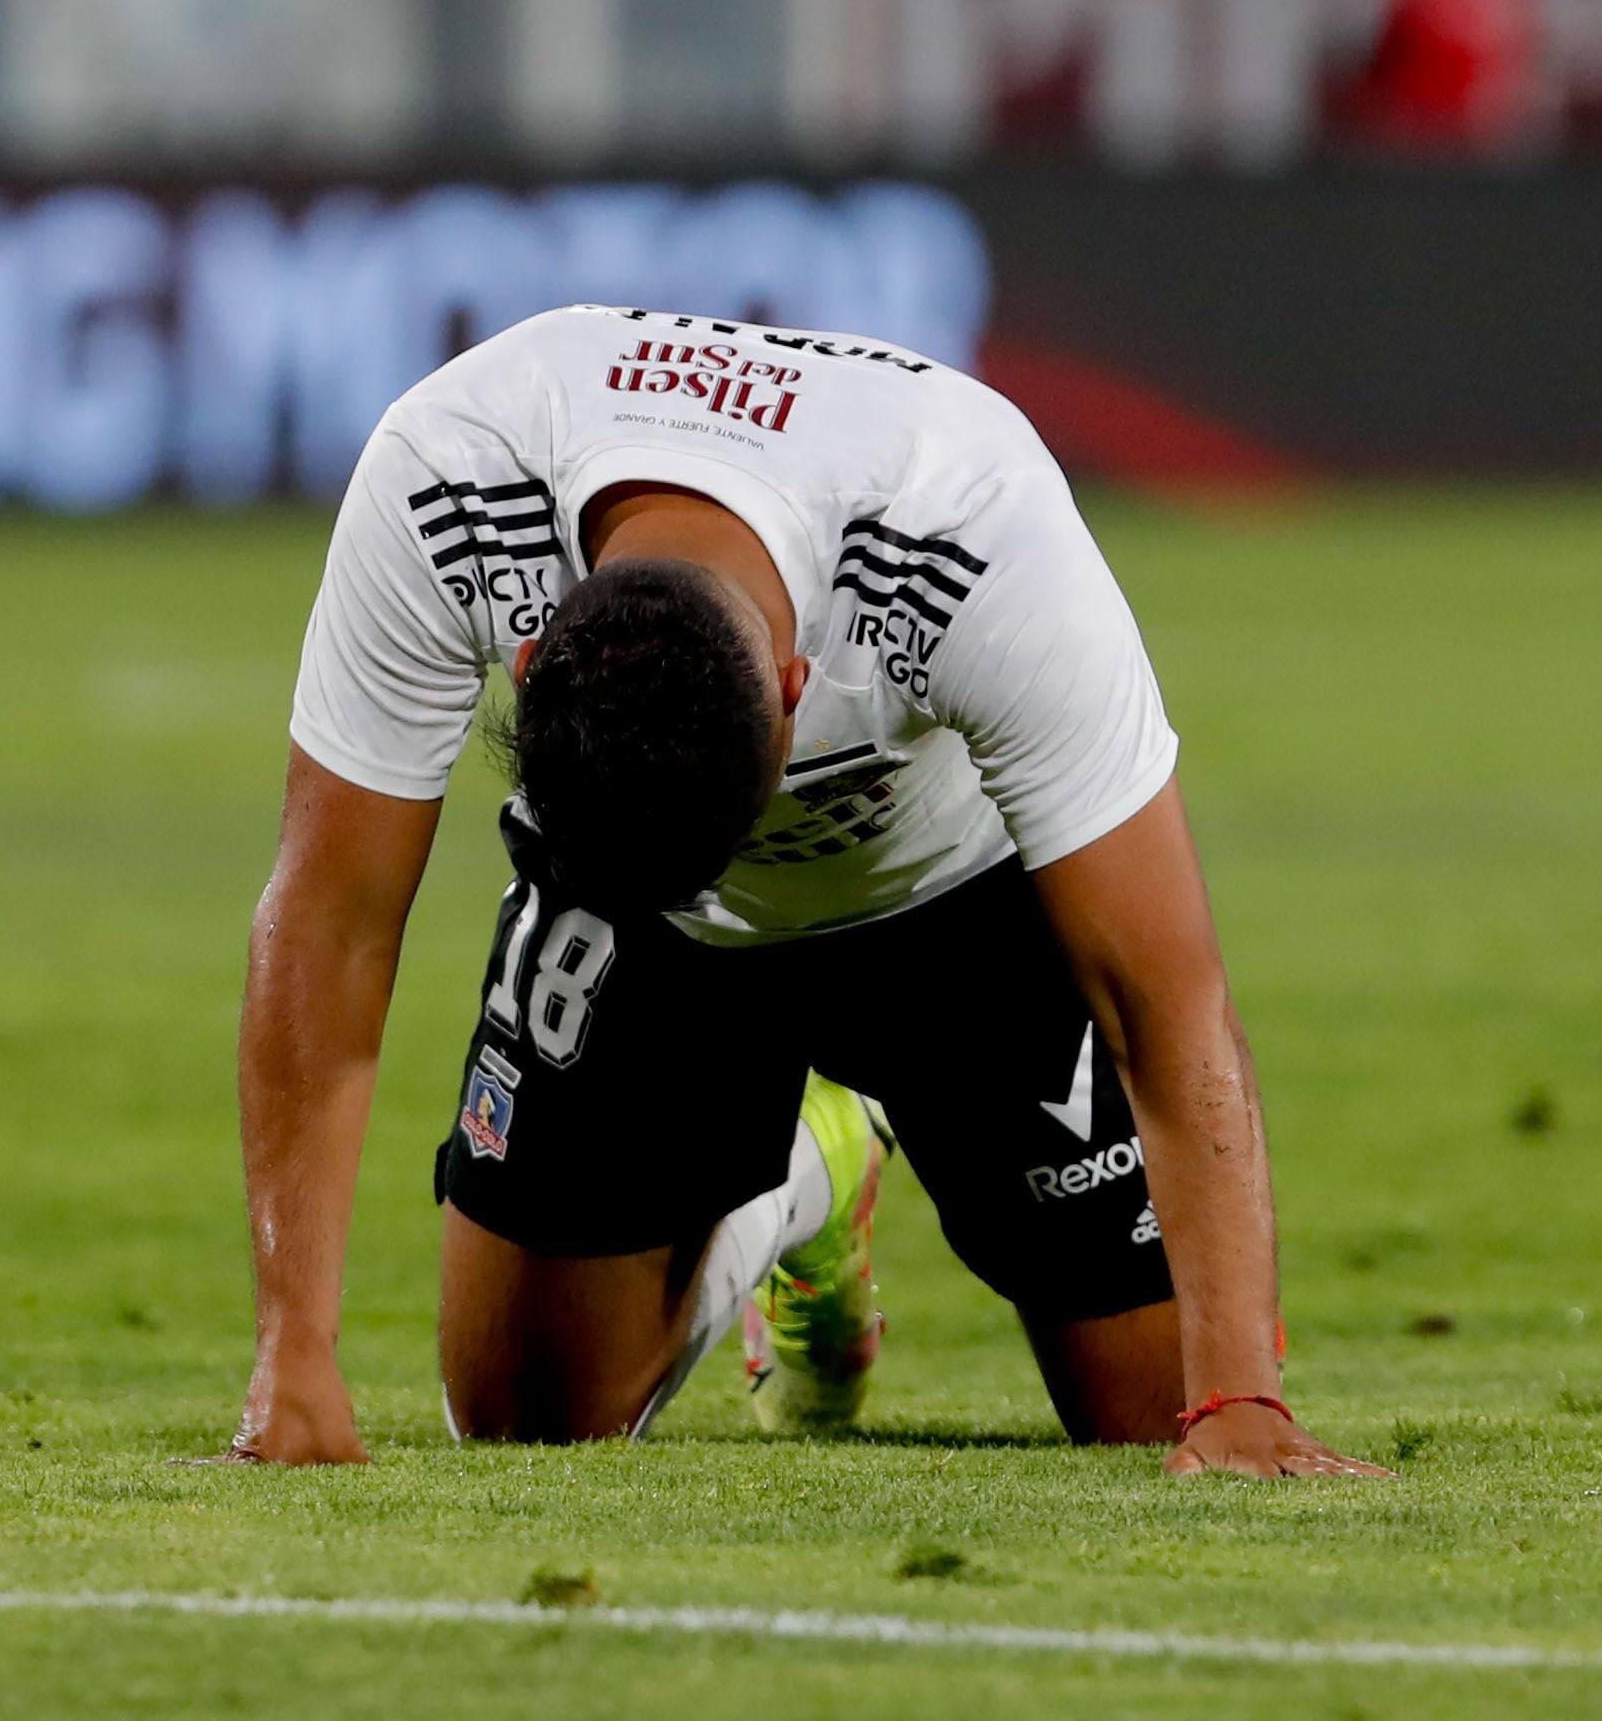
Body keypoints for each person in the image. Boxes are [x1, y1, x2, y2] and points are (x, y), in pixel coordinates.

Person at [226, 302, 1378, 1479]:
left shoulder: (974, 523)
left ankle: (825, 1146)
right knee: (523, 1419)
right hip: (640, 918)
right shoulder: (450, 475)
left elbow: (1163, 994)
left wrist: (1241, 1393)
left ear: (796, 686)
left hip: (956, 899)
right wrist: (293, 1359)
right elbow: (329, 925)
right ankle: (795, 1187)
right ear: (532, 663)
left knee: (1150, 1406)